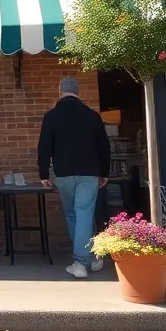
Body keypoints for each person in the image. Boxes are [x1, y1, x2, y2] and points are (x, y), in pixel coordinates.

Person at [38, 76, 111, 279]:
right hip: (89, 172)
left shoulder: (51, 116)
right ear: (78, 92)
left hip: (63, 173)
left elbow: (44, 146)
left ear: (60, 91)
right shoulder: (92, 116)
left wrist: (44, 173)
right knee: (85, 214)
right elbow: (104, 147)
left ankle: (80, 262)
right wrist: (105, 172)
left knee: (72, 215)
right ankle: (91, 256)